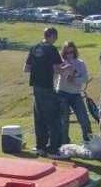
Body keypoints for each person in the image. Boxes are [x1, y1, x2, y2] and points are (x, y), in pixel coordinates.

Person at [24, 27, 68, 159]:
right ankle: (53, 149)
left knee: (40, 118)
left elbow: (26, 68)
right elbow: (57, 69)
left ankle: (40, 147)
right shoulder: (52, 49)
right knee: (53, 119)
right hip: (47, 87)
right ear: (53, 36)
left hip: (36, 88)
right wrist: (67, 67)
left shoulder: (34, 48)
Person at [56, 41, 91, 144]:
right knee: (64, 121)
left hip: (76, 94)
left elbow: (85, 78)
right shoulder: (60, 62)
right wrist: (62, 69)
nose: (69, 54)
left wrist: (75, 80)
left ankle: (88, 141)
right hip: (62, 93)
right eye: (67, 52)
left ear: (74, 51)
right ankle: (64, 143)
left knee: (84, 118)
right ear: (64, 53)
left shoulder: (80, 63)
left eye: (71, 52)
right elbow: (55, 73)